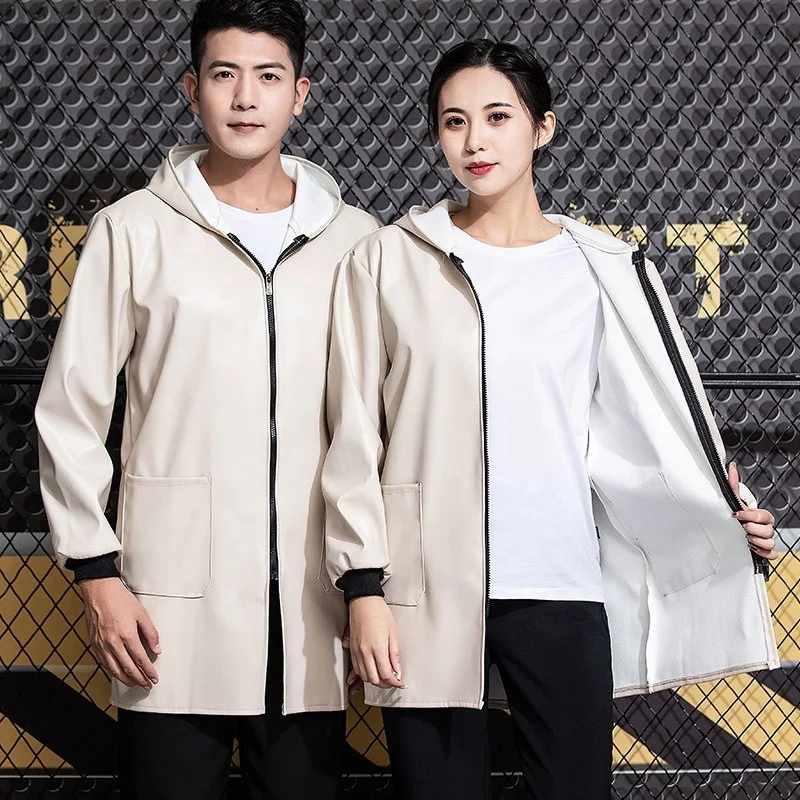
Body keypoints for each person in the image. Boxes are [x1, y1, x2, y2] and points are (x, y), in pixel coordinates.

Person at [321, 40, 779, 800]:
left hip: (559, 582)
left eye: (498, 117)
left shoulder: (599, 268)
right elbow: (352, 435)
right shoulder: (389, 259)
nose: (475, 140)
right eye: (454, 121)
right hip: (424, 585)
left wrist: (720, 512)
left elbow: (638, 435)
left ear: (543, 128)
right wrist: (363, 586)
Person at [35, 1, 378, 797]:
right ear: (193, 89)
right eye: (225, 75)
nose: (246, 97)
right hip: (167, 612)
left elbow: (371, 429)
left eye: (269, 77)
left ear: (301, 94)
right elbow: (71, 408)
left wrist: (370, 588)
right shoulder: (131, 229)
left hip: (310, 613)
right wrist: (96, 572)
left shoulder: (355, 241)